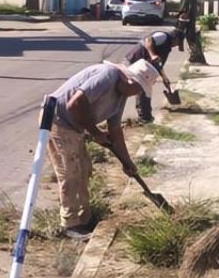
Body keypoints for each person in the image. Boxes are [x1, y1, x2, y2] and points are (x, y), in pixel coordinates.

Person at [47, 59, 160, 240]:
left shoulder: (121, 96)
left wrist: (127, 162)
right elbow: (75, 104)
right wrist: (95, 133)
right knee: (71, 172)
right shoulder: (107, 75)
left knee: (84, 169)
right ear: (130, 80)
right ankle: (69, 224)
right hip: (58, 120)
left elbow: (115, 131)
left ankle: (84, 219)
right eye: (138, 89)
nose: (137, 93)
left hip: (75, 127)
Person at [125, 26, 185, 123]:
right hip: (138, 58)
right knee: (143, 86)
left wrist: (164, 78)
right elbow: (148, 40)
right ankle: (144, 117)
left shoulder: (167, 46)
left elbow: (158, 64)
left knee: (145, 86)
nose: (176, 46)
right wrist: (152, 54)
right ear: (176, 38)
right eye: (178, 43)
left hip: (145, 63)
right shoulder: (163, 36)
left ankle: (145, 115)